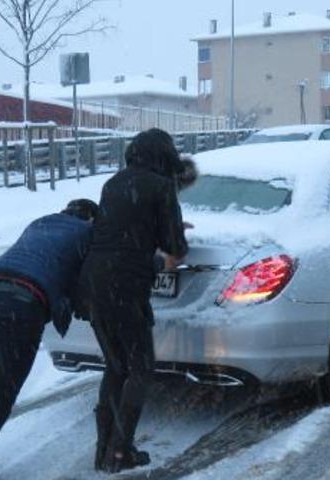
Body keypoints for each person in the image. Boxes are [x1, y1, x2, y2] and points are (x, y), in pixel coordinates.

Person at [0, 199, 100, 480]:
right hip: (19, 303)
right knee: (5, 387)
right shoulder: (86, 232)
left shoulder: (41, 222)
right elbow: (85, 281)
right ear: (91, 219)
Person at [81, 128, 190, 473]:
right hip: (127, 282)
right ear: (164, 156)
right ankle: (120, 452)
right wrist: (176, 235)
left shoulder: (112, 183)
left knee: (116, 366)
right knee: (141, 367)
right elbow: (174, 246)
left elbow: (124, 225)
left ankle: (104, 451)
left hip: (95, 280)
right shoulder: (162, 185)